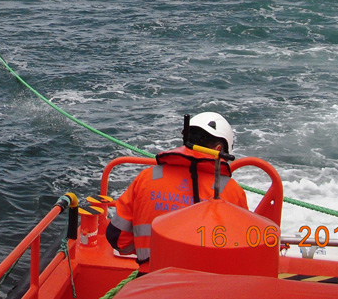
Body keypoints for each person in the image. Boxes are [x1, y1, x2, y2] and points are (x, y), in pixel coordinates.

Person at [106, 112, 248, 272]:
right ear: (219, 149)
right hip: (208, 287)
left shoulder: (147, 178)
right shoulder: (233, 191)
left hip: (150, 279)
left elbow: (117, 236)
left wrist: (147, 254)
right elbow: (243, 250)